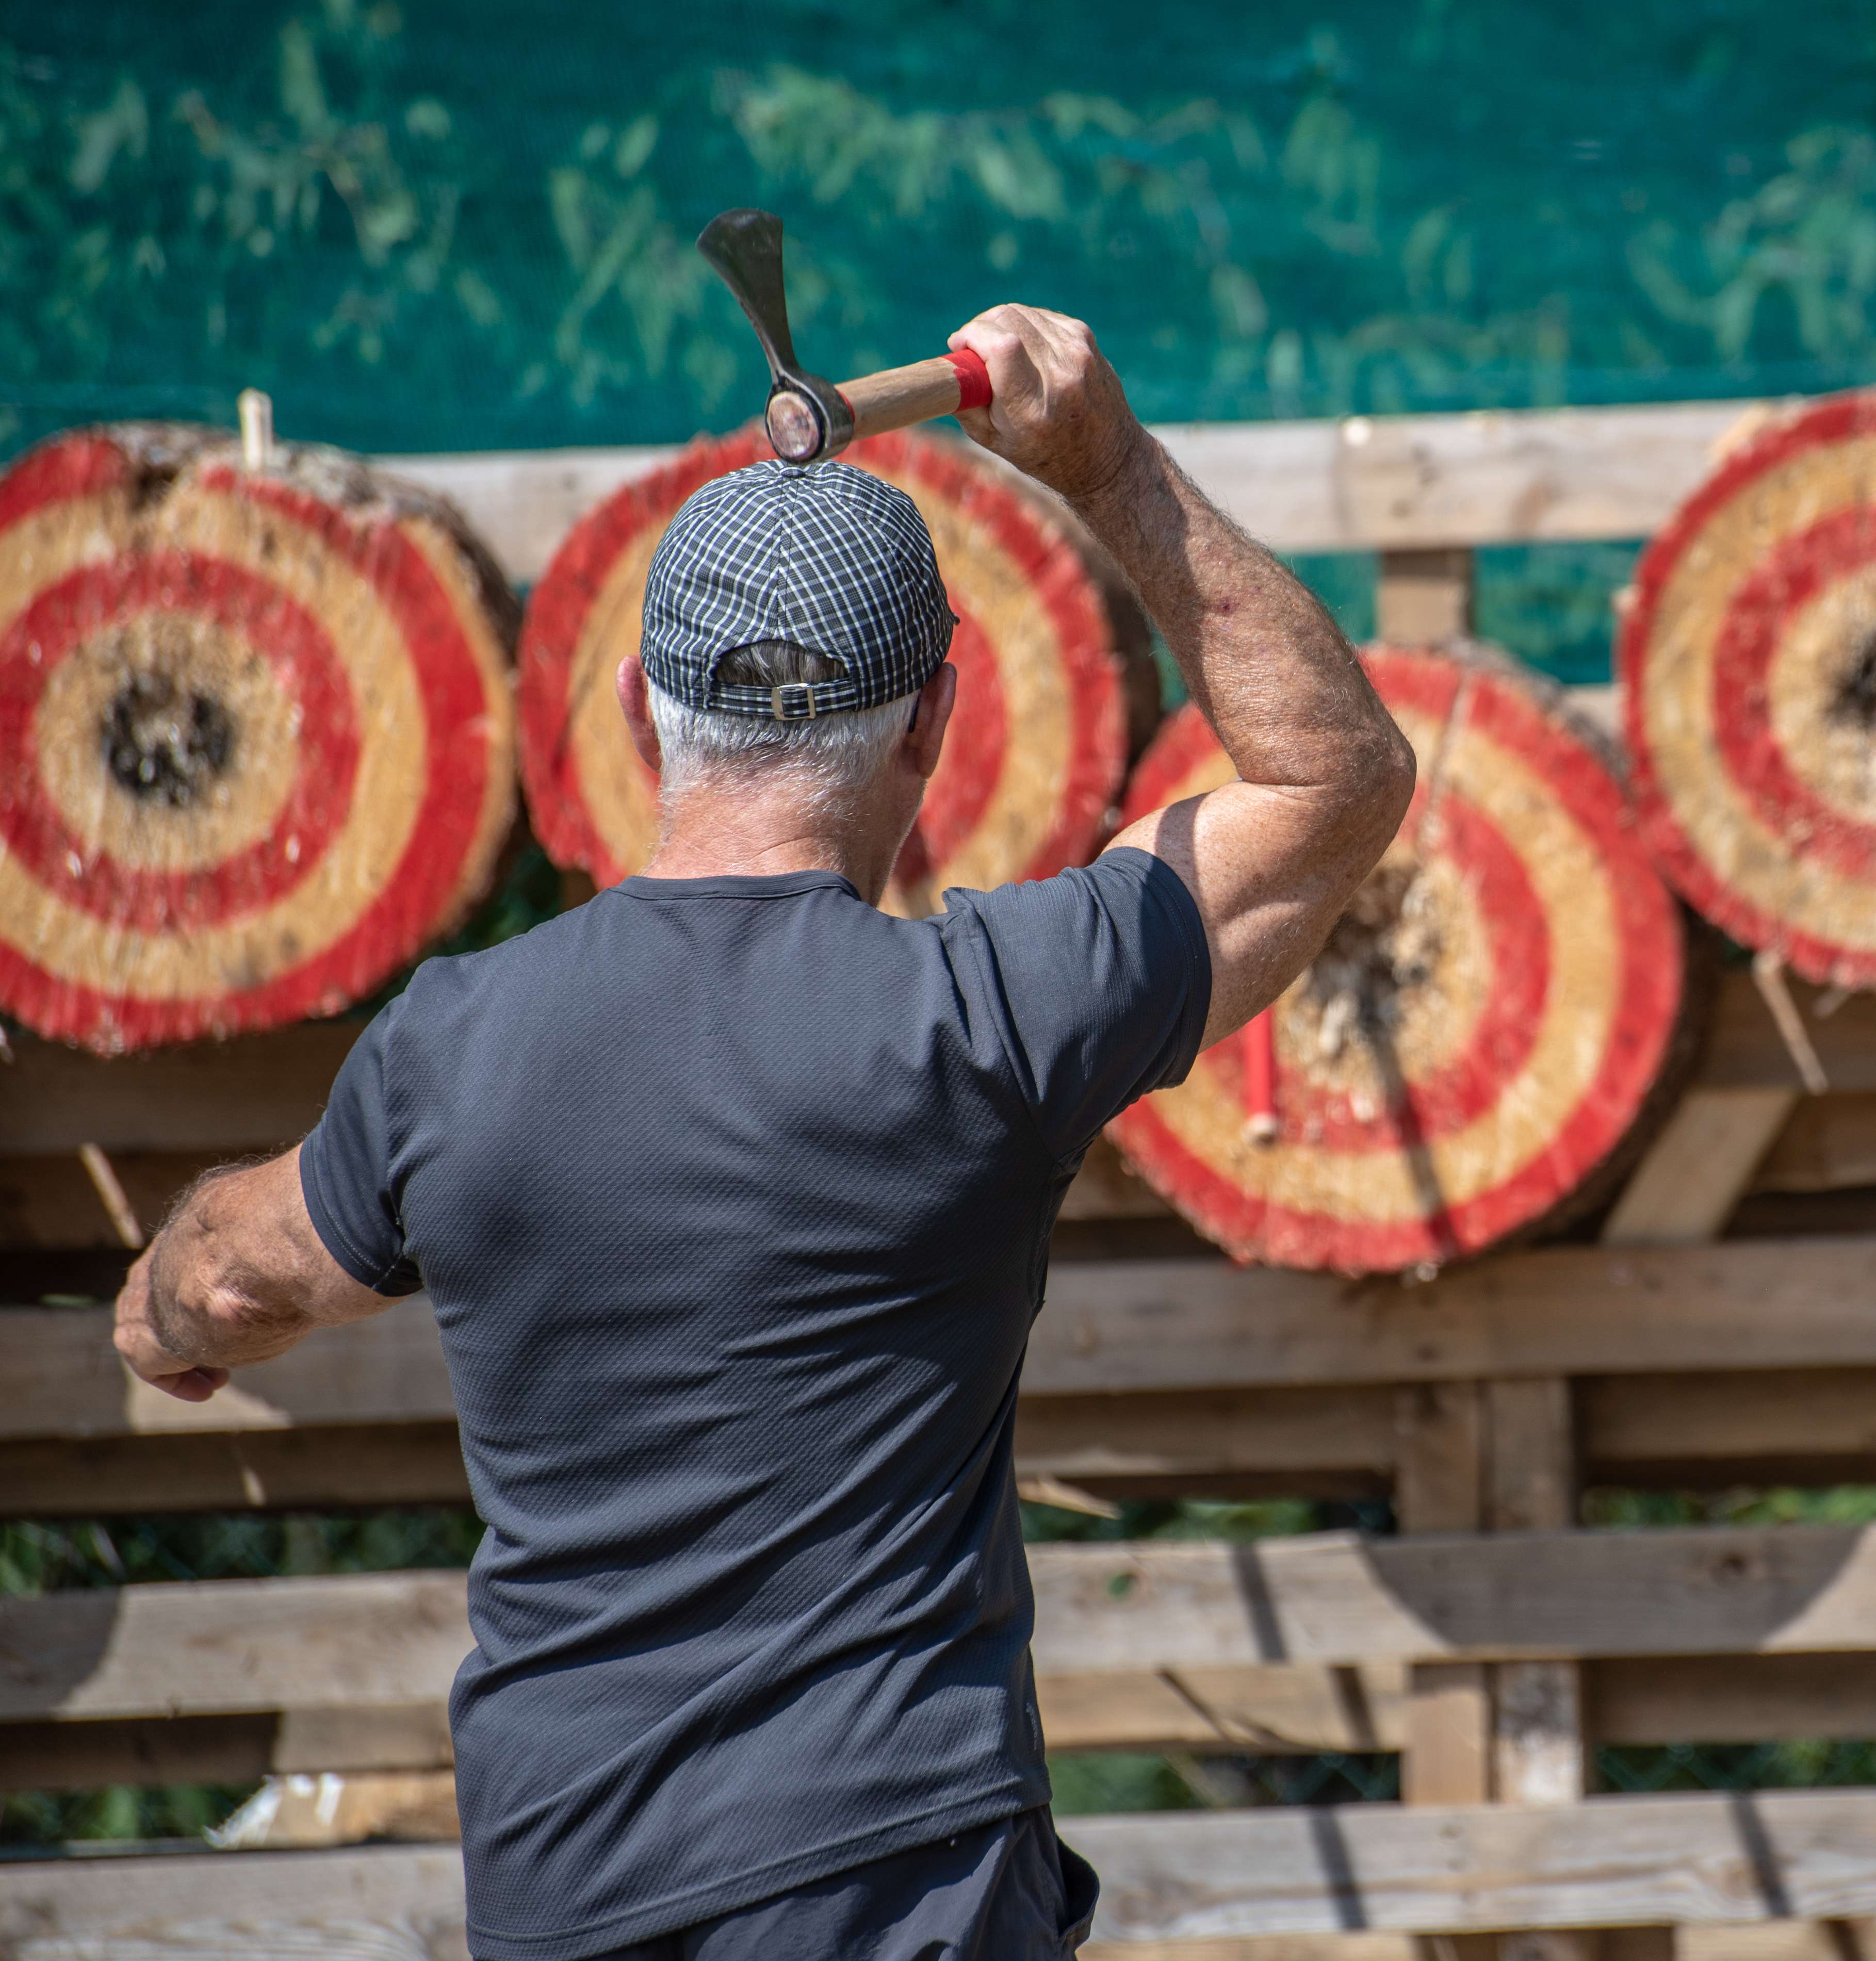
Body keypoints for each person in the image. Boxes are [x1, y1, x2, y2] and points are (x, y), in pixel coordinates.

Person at [109, 306, 1417, 1961]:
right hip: (899, 1888)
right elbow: (1335, 781)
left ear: (642, 716)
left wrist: (164, 1320)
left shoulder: (450, 1052)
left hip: (571, 1893)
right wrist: (1109, 465)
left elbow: (231, 1279)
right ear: (931, 726)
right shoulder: (989, 1020)